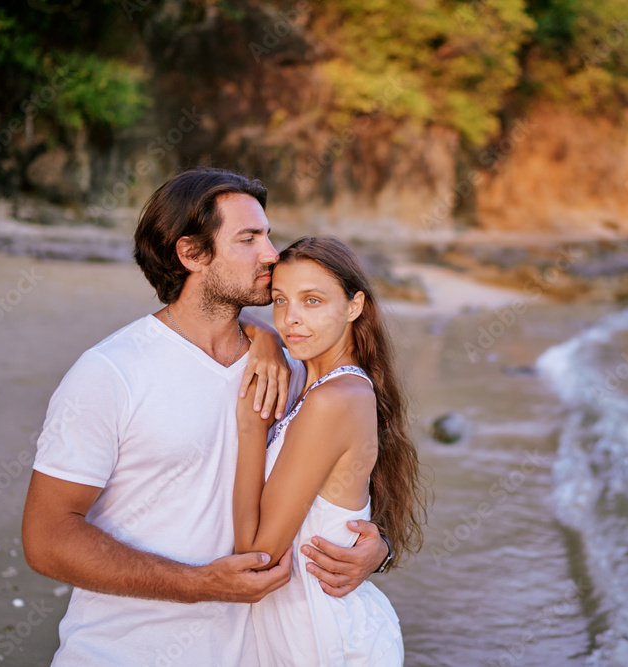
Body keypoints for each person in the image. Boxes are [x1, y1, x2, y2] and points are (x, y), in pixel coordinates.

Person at [21, 168, 392, 666]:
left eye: (267, 233)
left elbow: (346, 478)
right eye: (249, 238)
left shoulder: (294, 360)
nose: (271, 253)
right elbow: (46, 540)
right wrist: (198, 584)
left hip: (257, 652)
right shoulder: (111, 372)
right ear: (192, 253)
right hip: (123, 652)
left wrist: (375, 547)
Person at [233, 236, 427, 665]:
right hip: (305, 629)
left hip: (322, 640)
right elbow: (228, 312)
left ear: (354, 306)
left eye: (313, 300)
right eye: (280, 301)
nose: (291, 319)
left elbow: (257, 557)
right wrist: (261, 334)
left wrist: (251, 428)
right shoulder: (325, 381)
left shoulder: (332, 400)